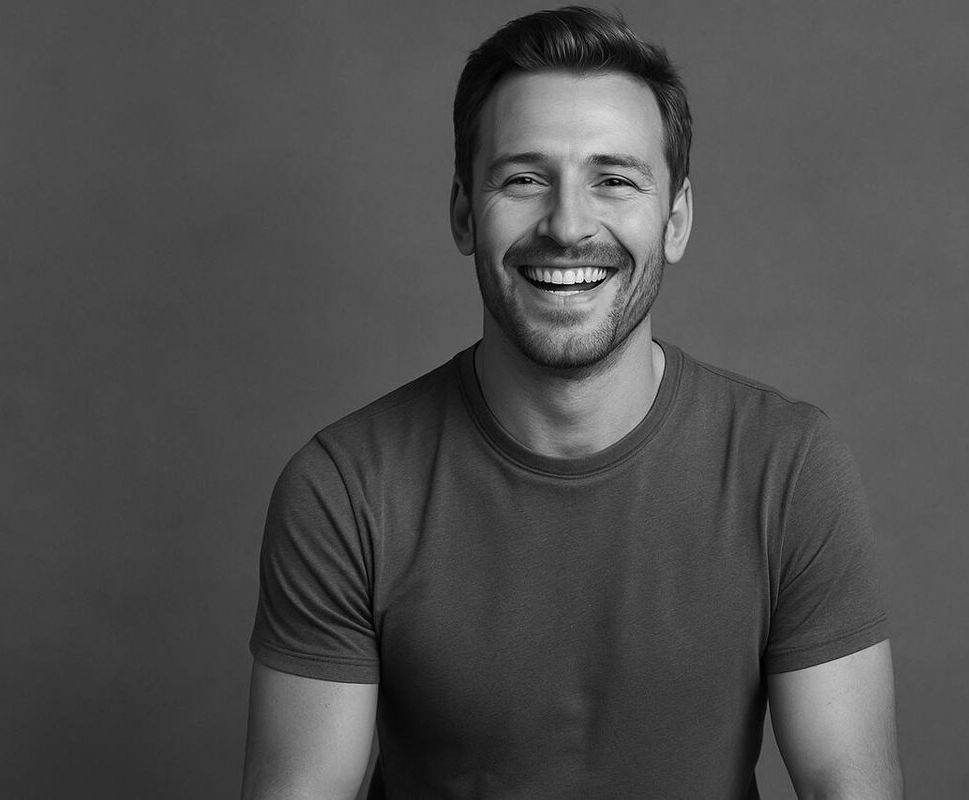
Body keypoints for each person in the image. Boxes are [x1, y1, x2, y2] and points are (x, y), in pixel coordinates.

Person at [242, 6, 902, 799]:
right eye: (524, 179)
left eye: (614, 180)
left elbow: (847, 785)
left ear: (676, 220)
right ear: (464, 213)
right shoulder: (344, 489)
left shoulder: (788, 468)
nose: (567, 225)